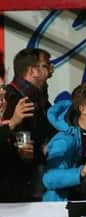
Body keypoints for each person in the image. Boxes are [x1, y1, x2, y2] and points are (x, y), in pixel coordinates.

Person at [2, 48, 56, 201]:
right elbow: (19, 134)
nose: (51, 71)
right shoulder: (12, 97)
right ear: (33, 71)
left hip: (34, 176)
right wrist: (21, 146)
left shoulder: (38, 97)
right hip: (16, 185)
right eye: (46, 66)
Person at [42, 82, 86, 201]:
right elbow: (49, 179)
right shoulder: (64, 139)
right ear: (83, 109)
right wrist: (81, 172)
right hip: (63, 209)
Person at [0, 76, 36, 201]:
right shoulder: (10, 125)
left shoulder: (14, 127)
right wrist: (11, 124)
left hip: (16, 204)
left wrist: (26, 157)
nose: (3, 92)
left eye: (3, 88)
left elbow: (23, 170)